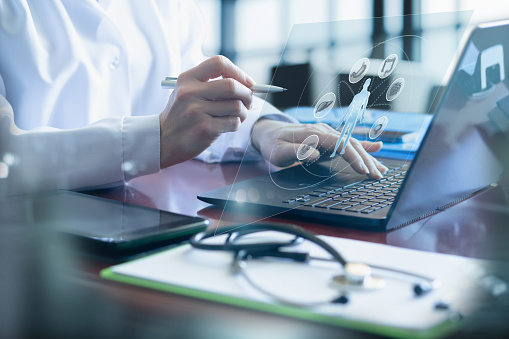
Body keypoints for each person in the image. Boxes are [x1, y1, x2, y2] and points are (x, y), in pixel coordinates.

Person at [0, 0, 387, 197]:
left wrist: (262, 129)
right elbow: (5, 158)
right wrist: (158, 139)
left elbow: (189, 89)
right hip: (30, 244)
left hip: (147, 220)